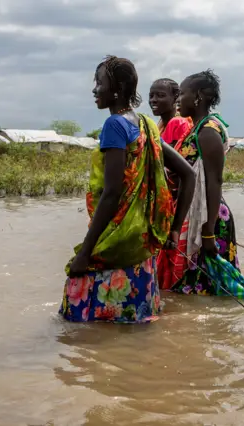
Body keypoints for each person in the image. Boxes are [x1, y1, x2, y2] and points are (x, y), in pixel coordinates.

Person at [59, 55, 195, 323]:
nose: (94, 89)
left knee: (77, 320)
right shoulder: (145, 125)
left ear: (117, 89)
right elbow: (188, 174)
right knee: (136, 327)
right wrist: (174, 229)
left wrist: (85, 253)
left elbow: (111, 193)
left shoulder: (115, 125)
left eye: (99, 83)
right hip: (142, 244)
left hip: (115, 240)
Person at [170, 69, 242, 296]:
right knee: (201, 289)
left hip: (209, 220)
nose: (178, 99)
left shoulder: (208, 131)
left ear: (198, 96)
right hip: (201, 215)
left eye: (182, 93)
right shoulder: (197, 128)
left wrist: (208, 232)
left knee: (213, 291)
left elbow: (214, 181)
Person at [149, 78, 195, 290]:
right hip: (169, 200)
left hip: (174, 201)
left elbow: (176, 169)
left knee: (169, 261)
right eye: (152, 95)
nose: (154, 100)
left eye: (160, 95)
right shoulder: (161, 125)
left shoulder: (177, 123)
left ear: (175, 99)